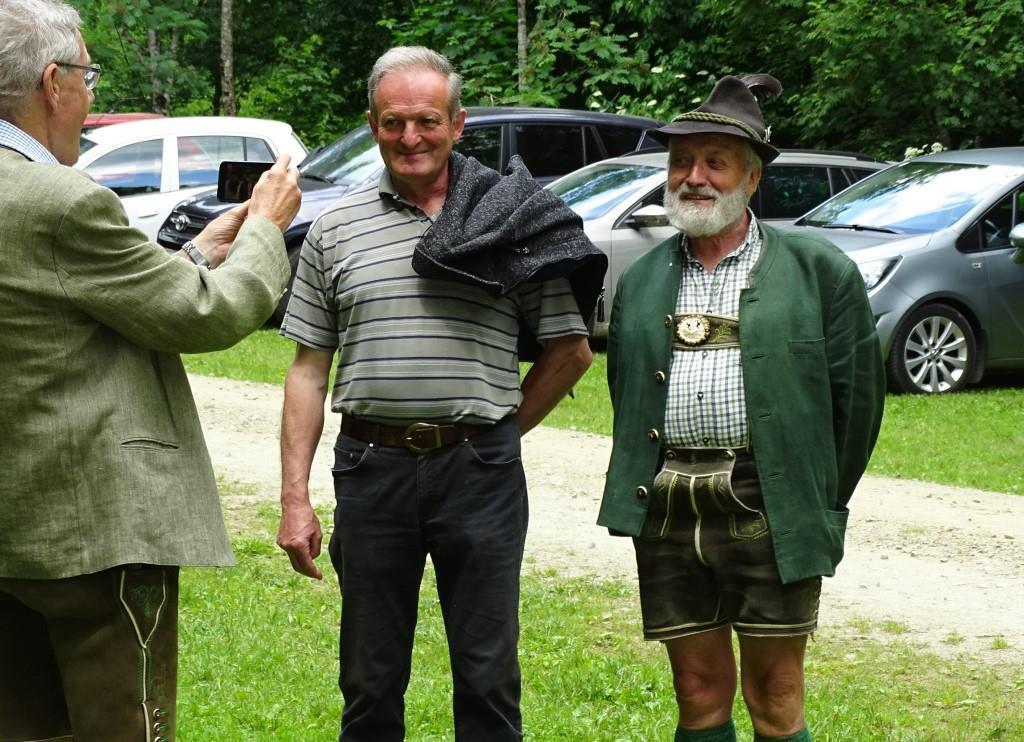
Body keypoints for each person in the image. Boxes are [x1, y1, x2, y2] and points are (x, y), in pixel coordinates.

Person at [276, 46, 599, 741]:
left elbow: (570, 350)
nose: (410, 137)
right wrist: (294, 499)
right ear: (372, 125)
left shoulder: (509, 221)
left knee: (487, 676)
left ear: (458, 123)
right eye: (393, 122)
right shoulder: (335, 229)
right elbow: (307, 369)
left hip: (479, 474)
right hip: (371, 470)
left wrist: (497, 433)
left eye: (426, 120)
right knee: (369, 678)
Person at [0, 1, 301, 740]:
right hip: (96, 528)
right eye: (89, 75)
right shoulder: (61, 199)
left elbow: (69, 300)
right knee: (124, 726)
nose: (90, 94)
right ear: (52, 83)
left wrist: (196, 252)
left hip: (17, 524)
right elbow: (208, 315)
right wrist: (265, 229)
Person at [597, 73, 886, 742]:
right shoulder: (642, 279)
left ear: (752, 178)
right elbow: (626, 391)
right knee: (696, 691)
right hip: (667, 503)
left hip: (768, 502)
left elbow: (858, 407)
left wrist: (811, 495)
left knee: (775, 694)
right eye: (681, 162)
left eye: (714, 162)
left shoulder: (819, 271)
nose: (693, 177)